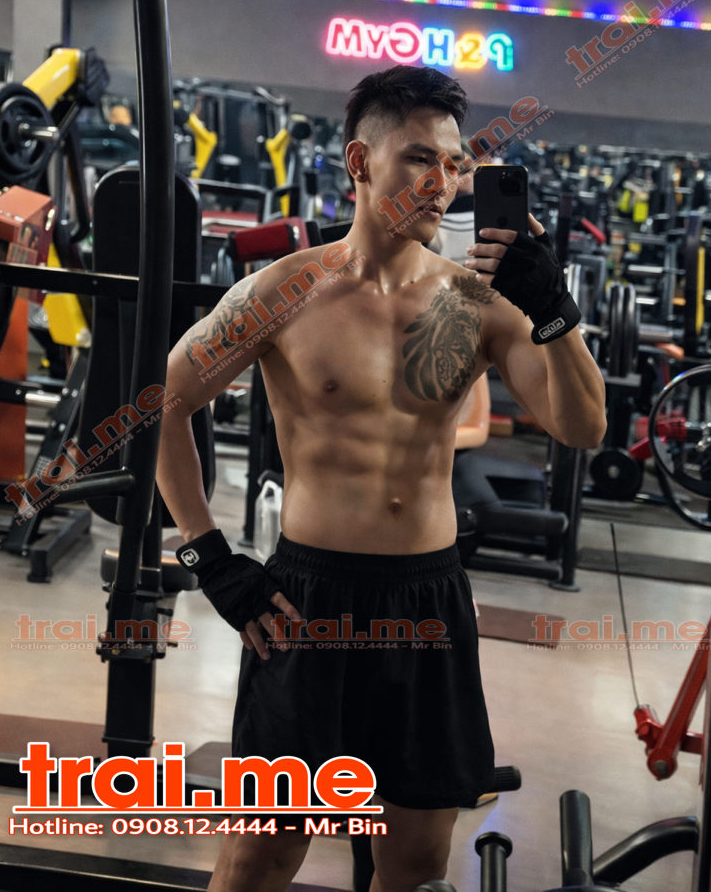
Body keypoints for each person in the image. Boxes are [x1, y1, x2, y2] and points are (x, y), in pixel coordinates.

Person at [157, 65, 606, 892]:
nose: (443, 182)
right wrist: (210, 559)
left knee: (416, 859)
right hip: (306, 603)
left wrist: (555, 308)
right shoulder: (284, 292)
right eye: (419, 159)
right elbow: (164, 405)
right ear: (361, 163)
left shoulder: (480, 303)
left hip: (427, 602)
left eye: (455, 164)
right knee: (261, 854)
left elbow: (584, 428)